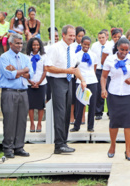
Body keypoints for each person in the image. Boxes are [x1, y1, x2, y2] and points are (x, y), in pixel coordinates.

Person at [45, 25, 87, 154]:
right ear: (63, 35)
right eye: (70, 35)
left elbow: (74, 67)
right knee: (60, 112)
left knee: (67, 112)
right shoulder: (55, 48)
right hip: (57, 81)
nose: (73, 38)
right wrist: (66, 71)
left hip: (69, 81)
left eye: (74, 36)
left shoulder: (71, 49)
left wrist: (82, 80)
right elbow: (47, 67)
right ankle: (58, 144)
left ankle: (64, 142)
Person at [101, 37, 130, 161]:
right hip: (114, 93)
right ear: (117, 48)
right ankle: (113, 145)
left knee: (129, 123)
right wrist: (103, 89)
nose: (125, 52)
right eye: (122, 50)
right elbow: (103, 77)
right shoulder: (110, 59)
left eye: (127, 50)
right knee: (114, 121)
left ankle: (128, 150)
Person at [0, 33, 34, 158]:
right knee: (9, 121)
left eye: (21, 43)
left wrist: (18, 71)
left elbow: (31, 73)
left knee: (22, 121)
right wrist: (23, 71)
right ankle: (8, 148)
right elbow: (9, 74)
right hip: (9, 92)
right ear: (10, 43)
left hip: (23, 93)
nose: (20, 45)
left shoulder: (25, 57)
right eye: (17, 43)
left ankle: (19, 147)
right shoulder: (4, 57)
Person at [70, 36, 98, 132]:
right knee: (80, 104)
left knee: (92, 103)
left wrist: (90, 77)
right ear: (81, 43)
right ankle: (76, 125)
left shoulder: (93, 55)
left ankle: (90, 126)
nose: (86, 46)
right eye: (84, 44)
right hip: (81, 81)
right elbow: (75, 68)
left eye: (88, 44)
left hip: (92, 80)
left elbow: (94, 67)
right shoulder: (77, 55)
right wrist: (81, 79)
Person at [26, 38, 47, 133]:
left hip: (41, 84)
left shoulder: (44, 56)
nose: (35, 47)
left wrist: (38, 83)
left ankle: (39, 123)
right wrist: (31, 82)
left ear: (40, 46)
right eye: (34, 45)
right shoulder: (26, 57)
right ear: (31, 46)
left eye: (37, 45)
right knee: (30, 105)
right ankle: (32, 123)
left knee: (40, 105)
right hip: (29, 84)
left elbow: (45, 71)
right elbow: (25, 71)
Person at [70, 26, 86, 125]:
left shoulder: (86, 47)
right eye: (79, 36)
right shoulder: (72, 47)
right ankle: (72, 116)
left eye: (82, 36)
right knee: (72, 96)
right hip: (72, 74)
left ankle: (83, 116)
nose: (80, 38)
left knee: (82, 96)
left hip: (82, 75)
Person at [91, 31, 108, 120]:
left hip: (108, 71)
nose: (101, 39)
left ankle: (110, 112)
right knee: (98, 91)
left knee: (108, 90)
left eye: (103, 37)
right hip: (98, 70)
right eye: (99, 38)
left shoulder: (110, 46)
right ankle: (98, 112)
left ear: (106, 37)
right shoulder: (94, 46)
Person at [44, 27, 59, 103]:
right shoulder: (45, 48)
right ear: (49, 37)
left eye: (57, 36)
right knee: (48, 96)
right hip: (48, 75)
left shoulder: (61, 47)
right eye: (54, 36)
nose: (55, 38)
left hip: (59, 75)